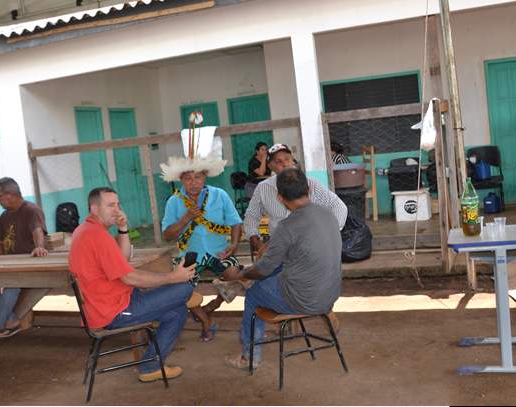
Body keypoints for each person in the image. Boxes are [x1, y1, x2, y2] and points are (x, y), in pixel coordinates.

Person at [70, 187, 196, 382]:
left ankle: (149, 367)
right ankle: (182, 296)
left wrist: (123, 228)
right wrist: (172, 278)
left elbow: (123, 260)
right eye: (110, 205)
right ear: (94, 209)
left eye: (118, 205)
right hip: (113, 312)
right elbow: (129, 277)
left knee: (178, 311)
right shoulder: (96, 235)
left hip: (115, 301)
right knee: (184, 287)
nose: (117, 210)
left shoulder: (88, 230)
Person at [224, 168, 342, 369]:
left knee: (253, 292)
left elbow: (263, 269)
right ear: (308, 189)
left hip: (304, 301)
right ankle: (239, 286)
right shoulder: (328, 214)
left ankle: (249, 357)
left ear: (280, 198)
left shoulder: (287, 226)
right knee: (277, 270)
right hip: (330, 295)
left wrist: (240, 274)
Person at [160, 121, 245, 341]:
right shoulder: (174, 201)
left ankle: (213, 306)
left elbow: (236, 222)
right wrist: (186, 217)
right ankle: (205, 320)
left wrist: (234, 245)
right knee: (179, 288)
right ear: (181, 179)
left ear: (205, 176)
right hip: (190, 256)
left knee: (237, 276)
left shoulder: (219, 195)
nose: (193, 182)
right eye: (188, 178)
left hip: (219, 252)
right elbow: (167, 236)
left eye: (198, 177)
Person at [244, 143, 348, 258]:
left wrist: (328, 233)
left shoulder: (310, 183)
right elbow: (251, 215)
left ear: (293, 161)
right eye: (278, 162)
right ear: (270, 166)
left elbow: (338, 206)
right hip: (279, 246)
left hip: (309, 245)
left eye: (287, 159)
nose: (285, 164)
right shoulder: (263, 188)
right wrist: (256, 241)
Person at [0, 177, 49, 343]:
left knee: (12, 285)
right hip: (10, 266)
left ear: (10, 195)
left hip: (28, 266)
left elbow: (38, 232)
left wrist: (39, 247)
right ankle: (11, 320)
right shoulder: (4, 216)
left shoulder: (31, 210)